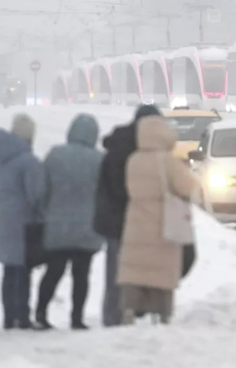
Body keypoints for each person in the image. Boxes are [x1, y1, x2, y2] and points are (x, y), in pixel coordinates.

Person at [117, 114, 199, 325]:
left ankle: (129, 310)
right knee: (160, 271)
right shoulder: (168, 161)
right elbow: (188, 186)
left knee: (135, 270)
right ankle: (162, 313)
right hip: (162, 223)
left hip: (136, 222)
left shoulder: (133, 160)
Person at [93, 104, 162, 327]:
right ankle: (123, 316)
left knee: (117, 271)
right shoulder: (133, 149)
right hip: (126, 219)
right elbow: (121, 187)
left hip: (116, 220)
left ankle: (116, 315)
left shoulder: (121, 145)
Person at [35, 114, 104, 331]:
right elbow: (103, 194)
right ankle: (77, 317)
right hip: (87, 226)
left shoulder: (55, 155)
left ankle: (40, 312)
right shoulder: (99, 160)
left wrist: (44, 213)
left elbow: (42, 189)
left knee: (54, 271)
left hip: (58, 224)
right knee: (81, 275)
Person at [0, 114, 45, 330]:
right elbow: (36, 194)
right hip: (24, 223)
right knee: (23, 271)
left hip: (6, 221)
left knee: (9, 271)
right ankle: (22, 316)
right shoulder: (28, 162)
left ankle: (9, 317)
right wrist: (39, 212)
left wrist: (5, 202)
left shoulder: (2, 160)